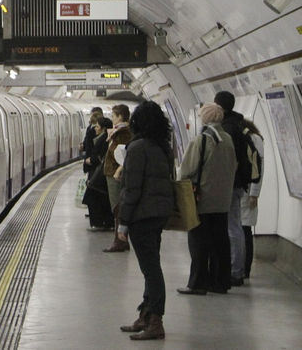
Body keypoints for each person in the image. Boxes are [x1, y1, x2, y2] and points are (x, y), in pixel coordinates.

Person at [117, 101, 174, 341]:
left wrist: (123, 222)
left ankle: (155, 322)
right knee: (151, 266)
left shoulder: (138, 147)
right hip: (159, 213)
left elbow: (133, 189)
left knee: (151, 270)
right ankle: (146, 316)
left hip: (142, 215)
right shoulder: (164, 147)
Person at [177, 103, 237, 295]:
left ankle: (197, 283)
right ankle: (220, 282)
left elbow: (186, 170)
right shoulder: (227, 139)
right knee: (220, 241)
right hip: (223, 199)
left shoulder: (201, 140)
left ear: (204, 118)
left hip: (202, 199)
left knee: (198, 241)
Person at [214, 91, 248, 287]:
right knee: (235, 226)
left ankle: (236, 271)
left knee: (233, 228)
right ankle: (237, 269)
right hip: (237, 182)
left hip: (231, 184)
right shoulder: (237, 123)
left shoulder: (227, 128)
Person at [100, 104, 133, 251]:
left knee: (117, 208)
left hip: (115, 174)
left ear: (120, 117)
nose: (111, 118)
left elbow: (126, 155)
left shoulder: (123, 133)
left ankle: (119, 240)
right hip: (113, 173)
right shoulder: (118, 132)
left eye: (113, 116)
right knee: (117, 208)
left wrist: (118, 171)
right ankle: (122, 239)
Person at [240, 119, 264, 279]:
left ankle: (245, 267)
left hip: (249, 191)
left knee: (245, 229)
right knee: (241, 228)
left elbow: (259, 167)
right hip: (242, 190)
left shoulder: (254, 139)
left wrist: (254, 193)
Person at [82, 117, 114, 231]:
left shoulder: (105, 139)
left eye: (98, 126)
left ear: (104, 128)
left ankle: (99, 223)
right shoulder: (103, 138)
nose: (95, 128)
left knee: (96, 198)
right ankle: (103, 223)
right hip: (98, 173)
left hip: (99, 174)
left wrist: (92, 160)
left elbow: (103, 155)